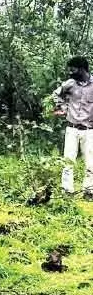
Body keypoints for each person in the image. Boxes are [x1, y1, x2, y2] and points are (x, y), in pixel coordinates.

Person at [52, 56, 93, 198]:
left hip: (89, 130)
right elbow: (56, 94)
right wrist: (62, 107)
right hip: (72, 128)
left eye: (73, 69)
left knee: (91, 164)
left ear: (82, 69)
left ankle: (89, 191)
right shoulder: (70, 83)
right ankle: (67, 191)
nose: (70, 72)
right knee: (68, 161)